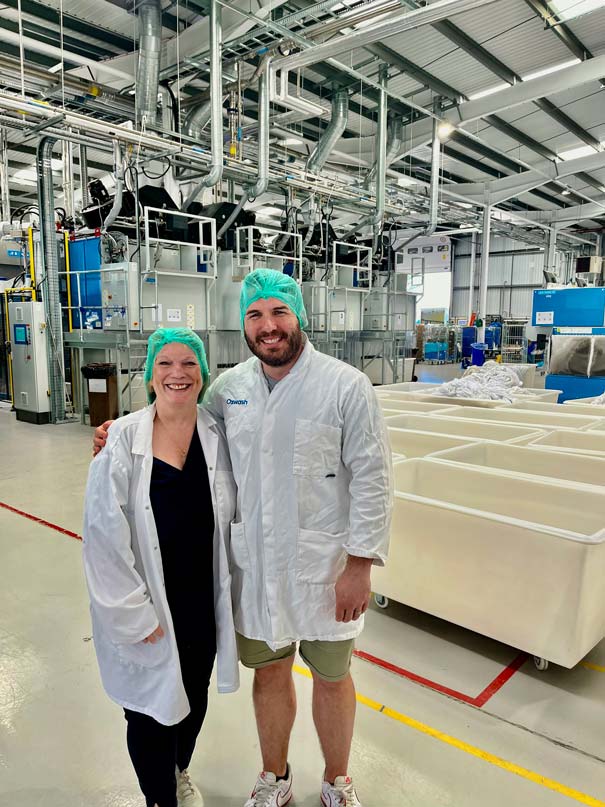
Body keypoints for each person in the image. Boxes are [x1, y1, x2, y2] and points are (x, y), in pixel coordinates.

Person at [94, 270, 392, 807]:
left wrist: (360, 566)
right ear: (244, 326)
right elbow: (173, 416)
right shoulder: (230, 391)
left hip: (326, 573)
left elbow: (373, 478)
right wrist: (118, 430)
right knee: (270, 674)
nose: (268, 325)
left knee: (332, 676)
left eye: (278, 312)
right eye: (255, 316)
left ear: (299, 316)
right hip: (254, 570)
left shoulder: (346, 386)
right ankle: (273, 778)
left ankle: (337, 780)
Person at [84, 327, 239, 807]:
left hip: (202, 602)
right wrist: (132, 612)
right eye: (165, 364)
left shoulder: (221, 434)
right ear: (150, 375)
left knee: (192, 700)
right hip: (149, 602)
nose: (178, 373)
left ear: (203, 374)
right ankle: (159, 798)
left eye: (189, 363)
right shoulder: (122, 441)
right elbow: (103, 536)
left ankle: (179, 769)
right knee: (149, 711)